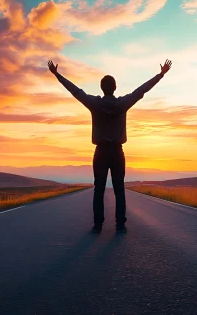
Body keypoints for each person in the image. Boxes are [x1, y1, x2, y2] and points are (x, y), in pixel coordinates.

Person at [48, 59, 173, 233]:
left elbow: (75, 91)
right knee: (119, 189)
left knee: (98, 189)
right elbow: (141, 90)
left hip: (100, 153)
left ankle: (98, 225)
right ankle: (120, 224)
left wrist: (57, 74)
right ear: (114, 88)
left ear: (101, 88)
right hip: (117, 153)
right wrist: (160, 75)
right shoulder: (122, 104)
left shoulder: (94, 103)